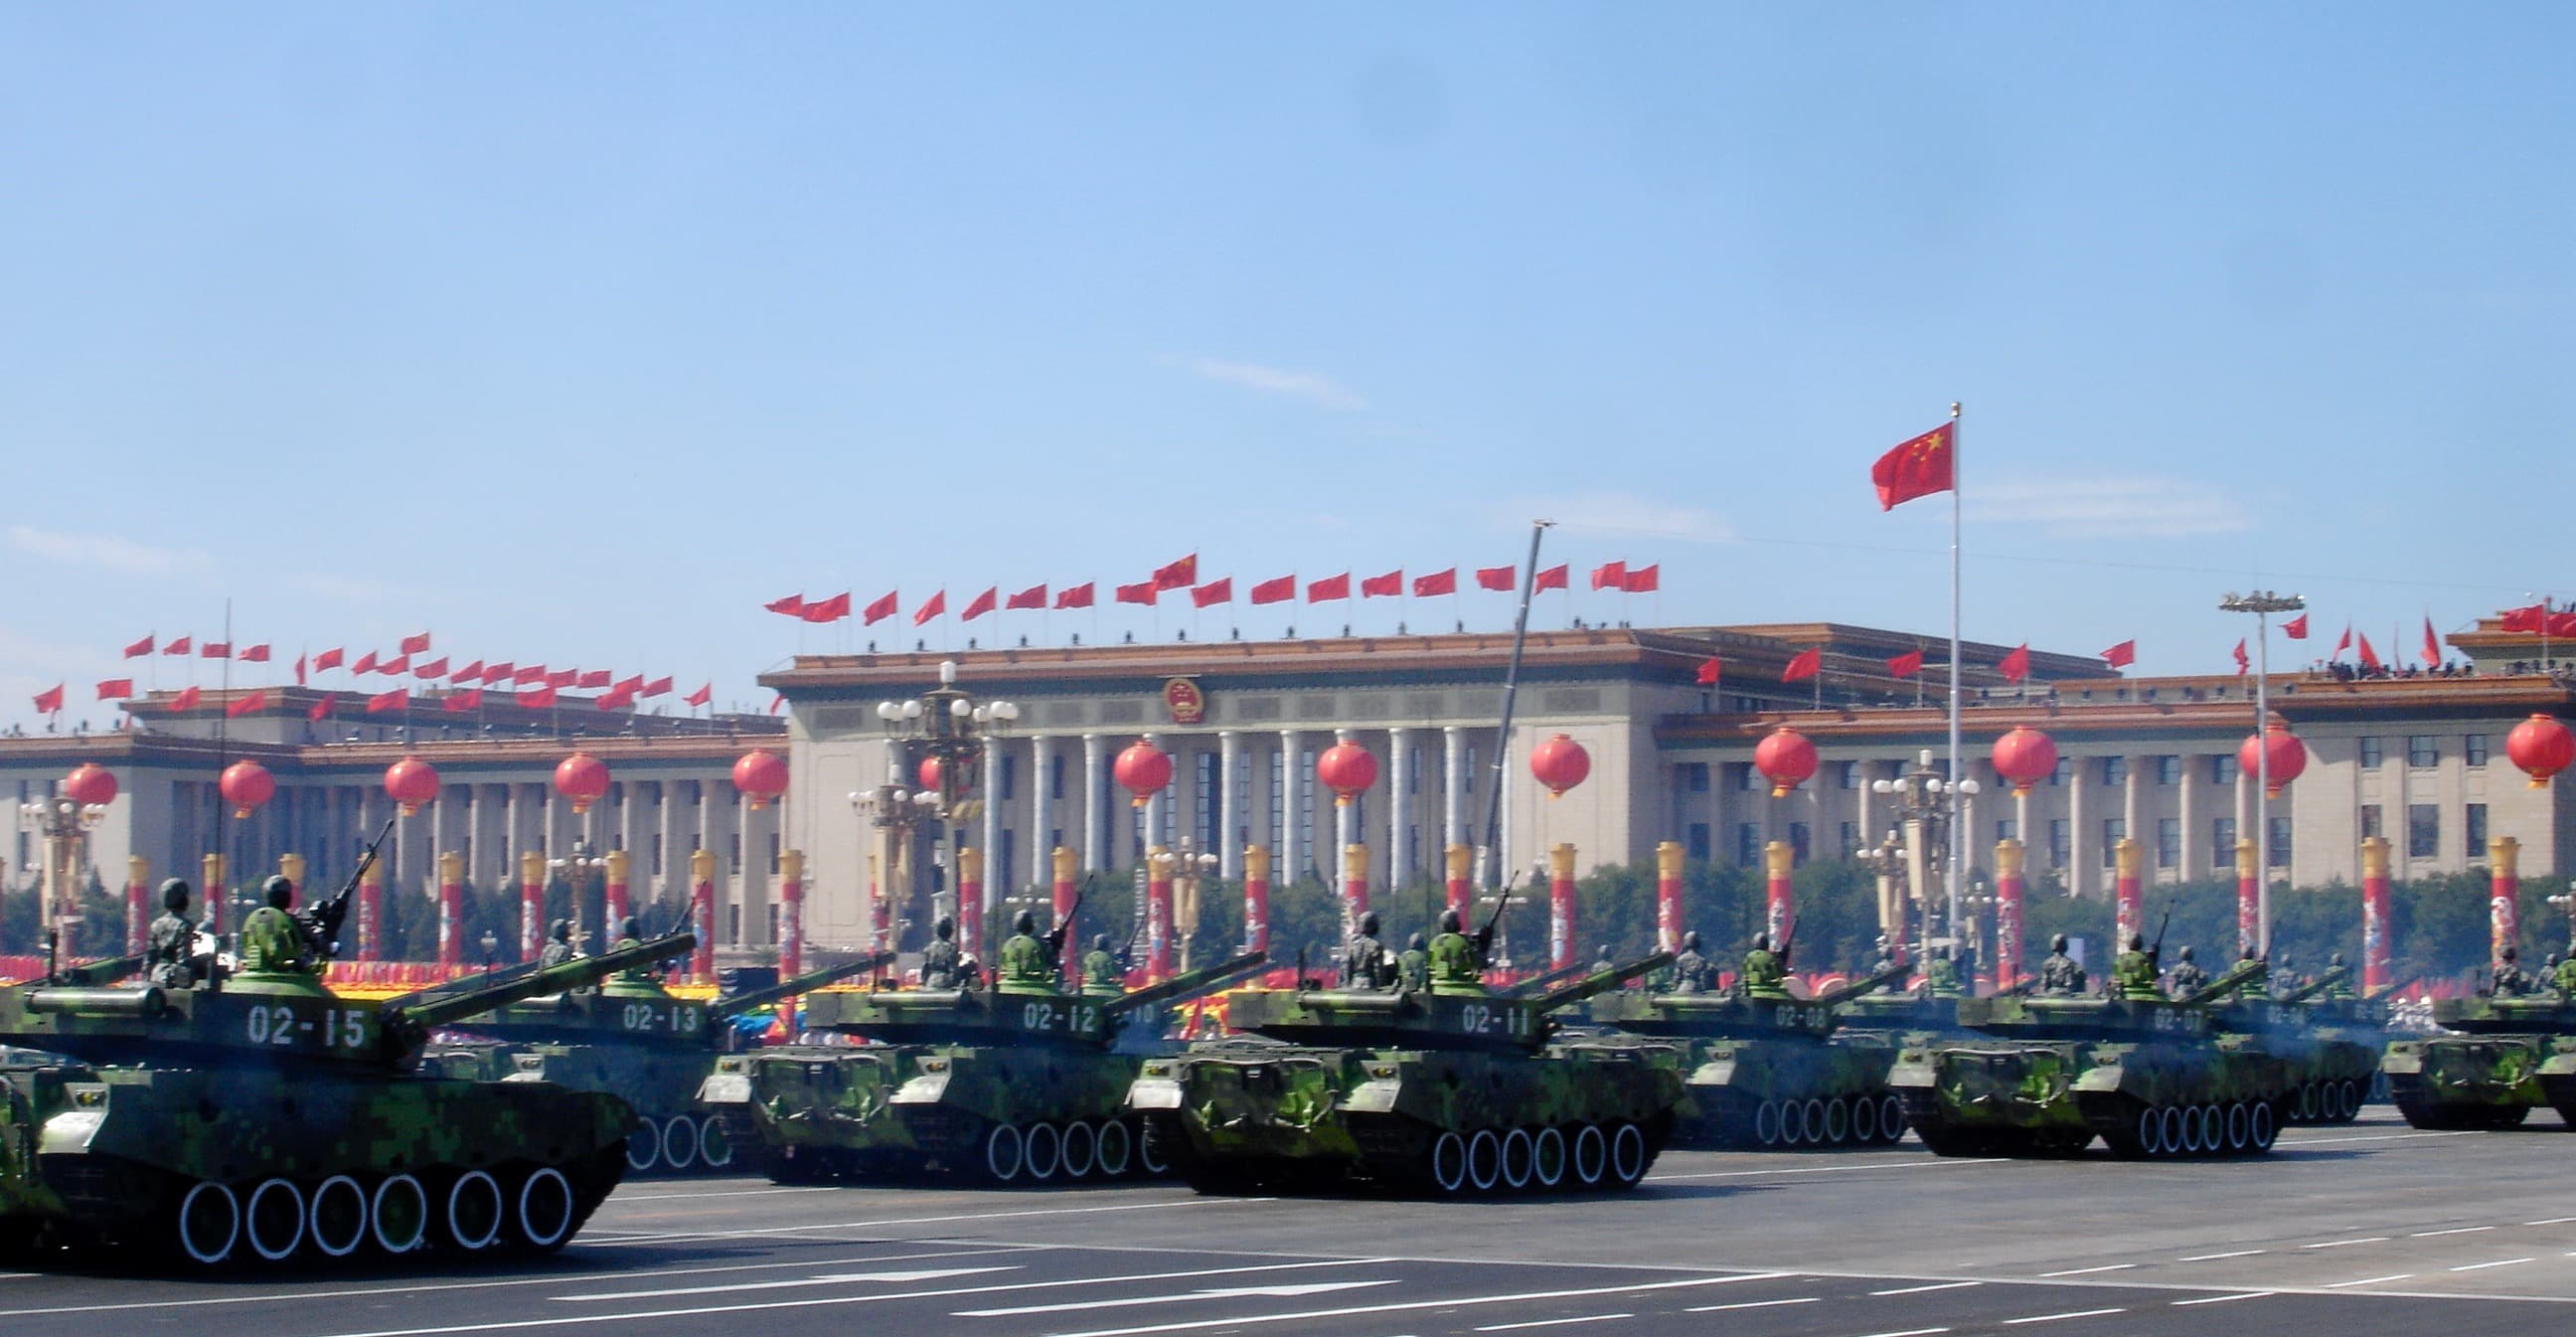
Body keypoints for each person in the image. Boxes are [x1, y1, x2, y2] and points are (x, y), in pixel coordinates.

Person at [238, 876, 318, 975]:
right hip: (290, 974)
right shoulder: (289, 921)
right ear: (285, 896)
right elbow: (316, 943)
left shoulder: (256, 918)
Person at [145, 878, 200, 989]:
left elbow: (149, 960)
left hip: (156, 977)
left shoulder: (156, 924)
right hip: (172, 980)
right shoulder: (184, 926)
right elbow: (184, 961)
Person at [1427, 908, 1484, 990]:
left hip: (1435, 985)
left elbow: (1429, 964)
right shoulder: (1462, 942)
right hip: (1463, 984)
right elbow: (1473, 963)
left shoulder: (1433, 943)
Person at [998, 910, 1055, 989]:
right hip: (1037, 986)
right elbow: (1053, 965)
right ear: (1031, 925)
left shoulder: (1009, 944)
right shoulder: (1040, 944)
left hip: (1006, 985)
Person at [1342, 912, 1391, 989]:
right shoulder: (1376, 945)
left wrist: (1348, 984)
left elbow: (1348, 967)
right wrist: (1382, 986)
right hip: (1370, 984)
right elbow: (1378, 970)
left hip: (1355, 983)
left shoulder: (1353, 945)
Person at [1739, 931, 1789, 1000]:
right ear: (1766, 944)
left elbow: (1746, 972)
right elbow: (1783, 973)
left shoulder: (1749, 957)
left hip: (1753, 991)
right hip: (1775, 991)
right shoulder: (1771, 957)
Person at [2111, 931, 2160, 999]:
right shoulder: (2145, 958)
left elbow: (2116, 972)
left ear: (2129, 944)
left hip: (2122, 991)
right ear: (2141, 944)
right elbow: (2155, 975)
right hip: (2144, 992)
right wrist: (2153, 961)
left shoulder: (2120, 958)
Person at [919, 916, 962, 988]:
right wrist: (955, 983)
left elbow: (925, 969)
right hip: (945, 982)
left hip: (931, 982)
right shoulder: (952, 948)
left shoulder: (929, 947)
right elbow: (954, 969)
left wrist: (924, 983)